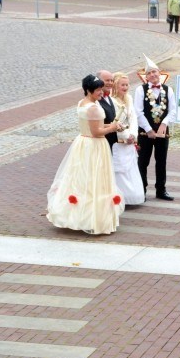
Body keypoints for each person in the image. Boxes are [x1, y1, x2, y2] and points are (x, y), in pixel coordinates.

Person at [47, 74, 126, 235]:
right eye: (98, 90)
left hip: (83, 142)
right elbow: (96, 132)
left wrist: (111, 126)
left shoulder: (82, 103)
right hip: (95, 145)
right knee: (95, 178)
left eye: (101, 89)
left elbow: (93, 125)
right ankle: (93, 218)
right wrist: (112, 128)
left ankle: (80, 215)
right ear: (89, 91)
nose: (101, 92)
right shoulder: (93, 108)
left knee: (82, 178)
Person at [134, 54, 177, 201]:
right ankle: (141, 190)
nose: (152, 75)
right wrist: (148, 129)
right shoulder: (140, 90)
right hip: (145, 133)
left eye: (154, 72)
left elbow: (173, 110)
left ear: (159, 73)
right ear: (146, 76)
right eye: (149, 73)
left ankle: (161, 189)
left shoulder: (168, 90)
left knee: (161, 161)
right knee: (143, 161)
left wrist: (164, 123)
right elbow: (138, 112)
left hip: (162, 133)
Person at [110, 72, 145, 205]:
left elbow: (133, 119)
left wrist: (133, 135)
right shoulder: (112, 101)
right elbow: (115, 121)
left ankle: (133, 196)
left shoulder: (129, 98)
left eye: (127, 85)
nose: (125, 87)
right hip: (119, 140)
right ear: (115, 85)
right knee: (120, 169)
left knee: (131, 168)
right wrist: (125, 135)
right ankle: (121, 197)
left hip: (130, 140)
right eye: (122, 85)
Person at [97, 70, 118, 150]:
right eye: (107, 80)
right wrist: (111, 127)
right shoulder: (95, 101)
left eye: (112, 80)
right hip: (101, 143)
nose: (110, 83)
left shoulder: (109, 97)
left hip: (112, 143)